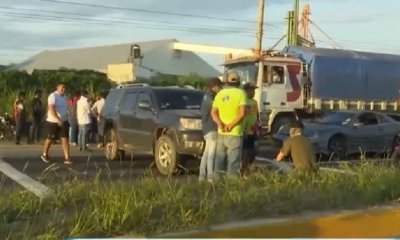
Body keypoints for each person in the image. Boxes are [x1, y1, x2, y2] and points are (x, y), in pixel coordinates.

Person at [211, 71, 247, 179]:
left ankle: (217, 185)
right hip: (235, 133)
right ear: (238, 82)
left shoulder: (220, 94)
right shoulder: (241, 93)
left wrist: (220, 124)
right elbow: (242, 113)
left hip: (221, 132)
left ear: (227, 81)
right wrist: (231, 125)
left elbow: (213, 112)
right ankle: (231, 188)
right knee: (233, 162)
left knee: (219, 161)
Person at [40, 82, 72, 164]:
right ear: (57, 88)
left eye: (64, 88)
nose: (63, 89)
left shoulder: (65, 97)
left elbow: (66, 108)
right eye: (62, 87)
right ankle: (44, 154)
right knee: (50, 138)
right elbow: (51, 108)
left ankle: (67, 157)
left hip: (64, 120)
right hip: (53, 121)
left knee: (65, 138)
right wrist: (58, 119)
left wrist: (67, 117)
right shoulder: (53, 96)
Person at [199, 77, 223, 182]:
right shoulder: (211, 98)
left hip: (206, 128)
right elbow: (217, 109)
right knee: (211, 154)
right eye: (219, 86)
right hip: (212, 128)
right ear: (214, 86)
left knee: (206, 153)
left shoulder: (206, 96)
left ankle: (201, 176)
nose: (220, 88)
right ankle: (210, 177)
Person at [241, 82, 261, 180]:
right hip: (245, 131)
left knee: (252, 152)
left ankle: (248, 171)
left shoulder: (254, 102)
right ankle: (243, 172)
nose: (253, 92)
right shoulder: (243, 101)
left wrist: (258, 125)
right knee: (245, 153)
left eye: (254, 90)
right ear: (246, 91)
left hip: (253, 131)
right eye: (251, 90)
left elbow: (256, 115)